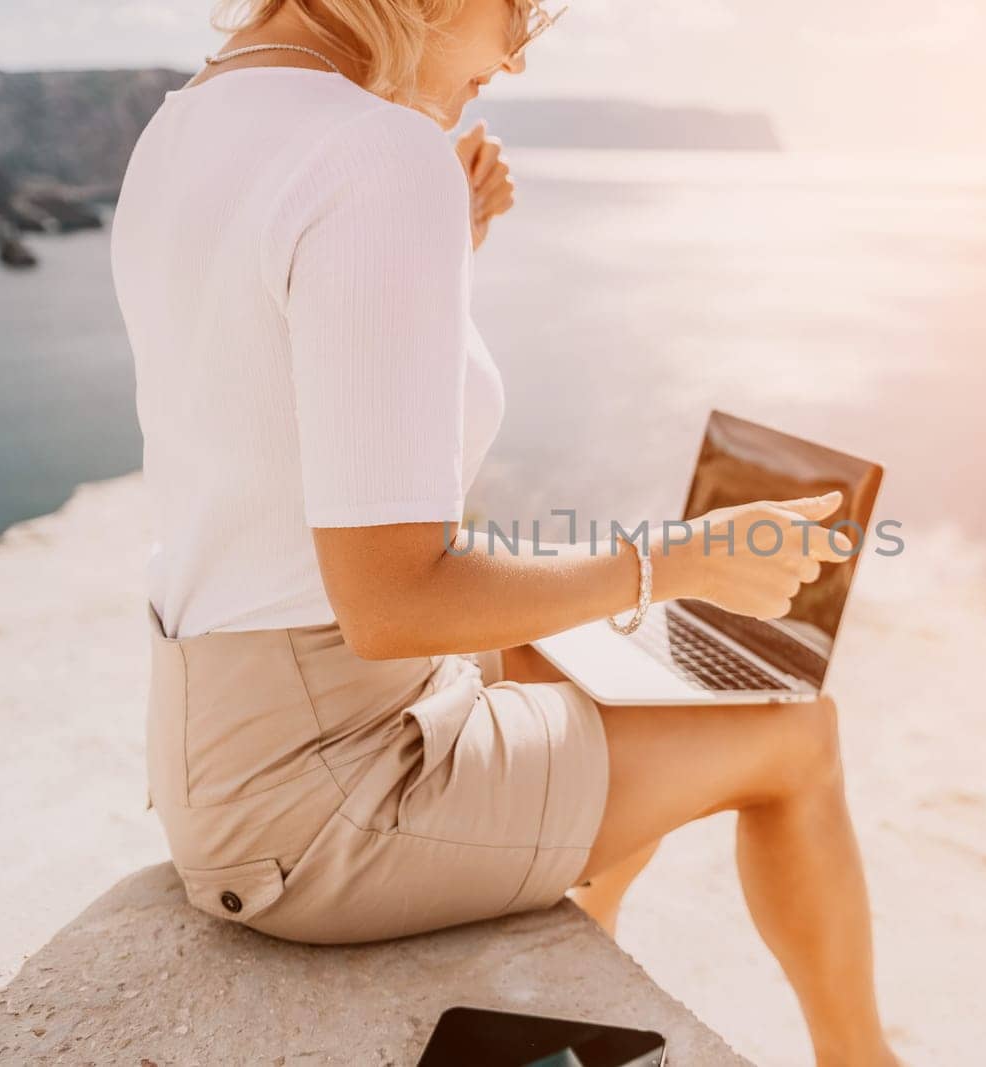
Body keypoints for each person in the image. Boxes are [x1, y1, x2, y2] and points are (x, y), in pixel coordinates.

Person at [110, 1, 900, 1062]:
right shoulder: (376, 152)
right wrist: (675, 561)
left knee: (599, 672)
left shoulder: (191, 119)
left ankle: (583, 973)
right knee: (794, 737)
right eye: (515, 8)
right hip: (323, 804)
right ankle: (863, 1060)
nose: (518, 53)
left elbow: (266, 395)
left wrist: (446, 248)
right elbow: (394, 604)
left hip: (228, 740)